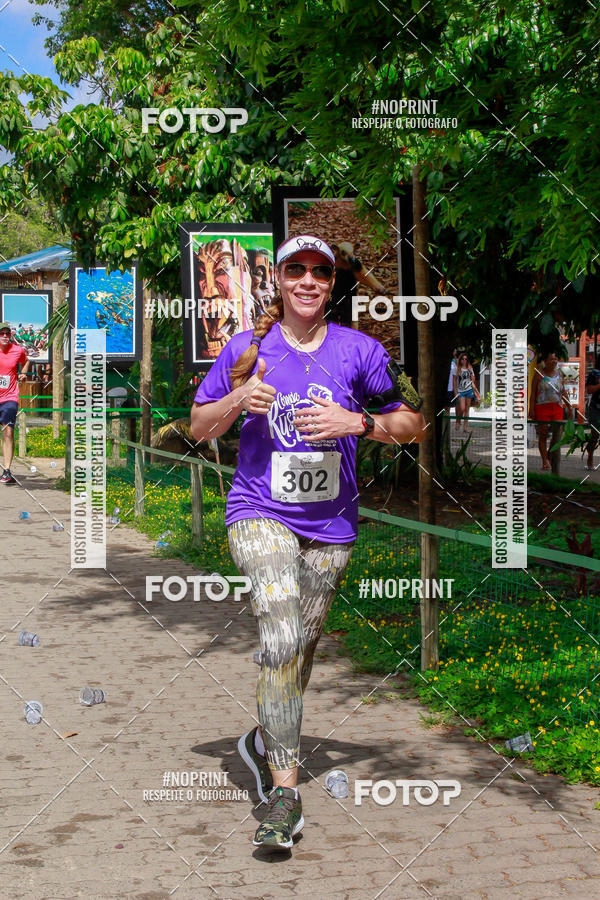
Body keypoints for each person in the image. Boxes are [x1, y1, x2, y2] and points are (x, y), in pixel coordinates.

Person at [190, 234, 425, 851]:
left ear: (331, 284)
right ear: (279, 279)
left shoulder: (359, 350)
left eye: (320, 271)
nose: (307, 280)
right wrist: (238, 397)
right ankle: (284, 796)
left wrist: (359, 423)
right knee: (281, 632)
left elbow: (413, 425)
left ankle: (266, 739)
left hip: (331, 525)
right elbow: (199, 427)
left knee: (299, 648)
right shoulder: (247, 347)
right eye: (295, 269)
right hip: (257, 510)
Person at [529, 351, 572, 470]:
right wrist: (531, 409)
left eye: (556, 359)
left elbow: (563, 392)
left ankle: (550, 454)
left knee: (558, 434)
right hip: (542, 407)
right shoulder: (539, 374)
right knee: (543, 434)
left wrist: (569, 406)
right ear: (545, 361)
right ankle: (545, 461)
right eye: (552, 359)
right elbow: (533, 393)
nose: (554, 361)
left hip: (557, 407)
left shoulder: (559, 374)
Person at [0, 322, 30, 484]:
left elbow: (26, 361)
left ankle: (6, 471)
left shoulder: (17, 350)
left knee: (8, 432)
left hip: (9, 397)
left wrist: (23, 373)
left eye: (7, 333)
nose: (5, 336)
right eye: (1, 333)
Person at [453, 351, 480, 432]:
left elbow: (473, 379)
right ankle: (458, 421)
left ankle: (465, 427)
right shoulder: (456, 368)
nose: (464, 360)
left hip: (469, 390)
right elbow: (454, 381)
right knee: (462, 408)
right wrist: (455, 392)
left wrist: (470, 371)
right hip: (460, 391)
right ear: (460, 359)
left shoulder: (469, 367)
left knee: (467, 409)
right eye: (463, 359)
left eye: (466, 359)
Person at [585, 354, 600, 471]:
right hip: (596, 408)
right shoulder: (594, 374)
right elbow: (589, 390)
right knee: (594, 435)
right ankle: (590, 458)